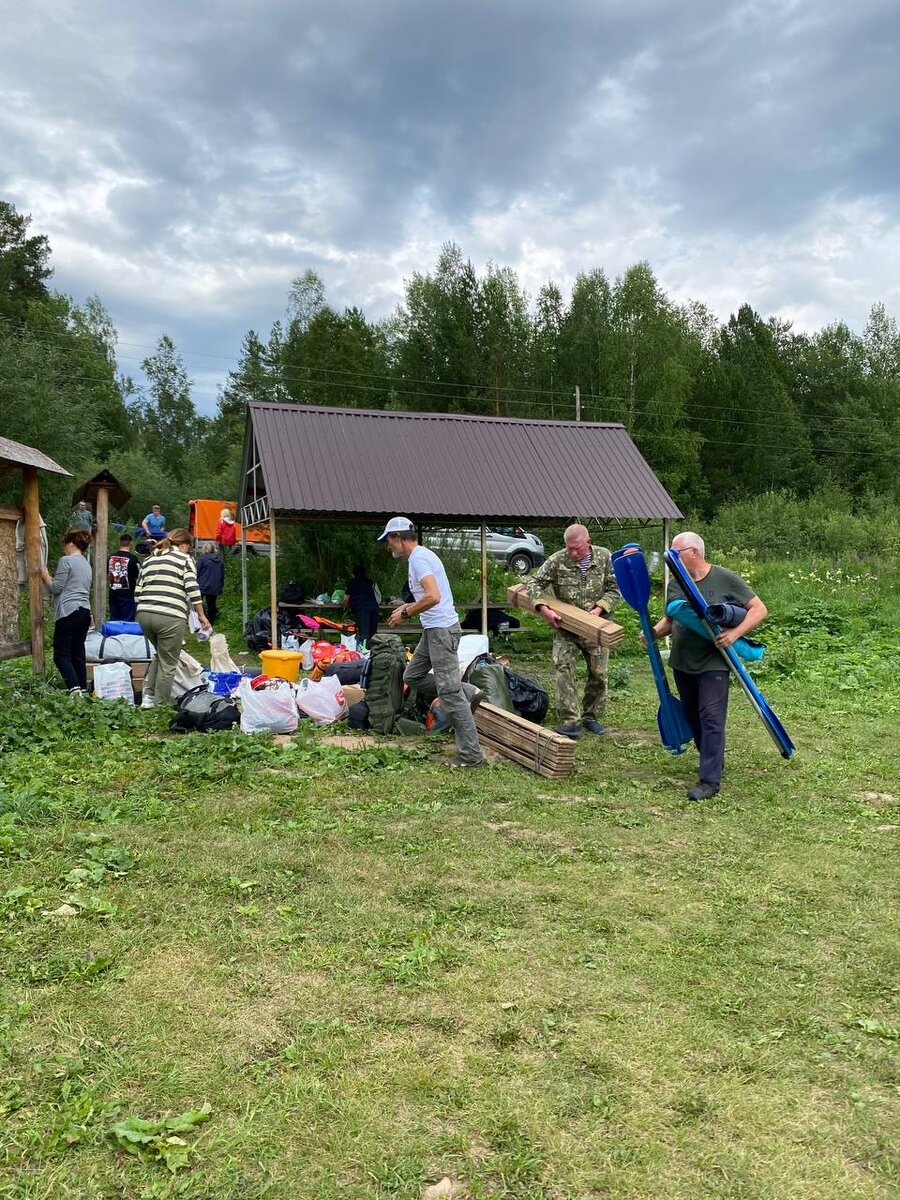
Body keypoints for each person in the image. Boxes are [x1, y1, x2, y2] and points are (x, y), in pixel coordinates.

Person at [646, 532, 767, 801]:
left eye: (677, 554)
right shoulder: (677, 582)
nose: (672, 560)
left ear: (694, 552)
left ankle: (709, 780)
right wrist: (652, 632)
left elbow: (759, 609)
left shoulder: (725, 578)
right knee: (693, 716)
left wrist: (735, 635)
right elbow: (669, 618)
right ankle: (712, 759)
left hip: (715, 662)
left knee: (711, 718)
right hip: (682, 661)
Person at [379, 516, 483, 769]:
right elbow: (431, 596)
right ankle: (467, 692)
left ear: (399, 538)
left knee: (449, 694)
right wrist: (407, 606)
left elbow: (433, 596)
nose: (388, 547)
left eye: (389, 541)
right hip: (432, 630)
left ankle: (471, 756)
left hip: (442, 631)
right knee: (412, 676)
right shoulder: (419, 557)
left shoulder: (419, 558)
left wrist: (406, 612)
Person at [525, 523, 621, 739]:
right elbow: (534, 583)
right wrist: (543, 608)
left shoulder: (605, 557)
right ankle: (570, 721)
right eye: (569, 548)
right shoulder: (558, 559)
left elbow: (616, 589)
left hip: (596, 627)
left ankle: (591, 717)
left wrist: (599, 609)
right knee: (563, 669)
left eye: (577, 548)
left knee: (599, 674)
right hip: (565, 627)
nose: (573, 553)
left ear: (589, 542)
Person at [135, 528, 210, 707]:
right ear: (184, 544)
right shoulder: (184, 559)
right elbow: (192, 588)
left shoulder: (149, 559)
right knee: (169, 664)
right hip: (170, 616)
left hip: (144, 614)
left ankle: (148, 698)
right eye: (189, 547)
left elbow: (137, 592)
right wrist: (201, 615)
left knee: (160, 656)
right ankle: (161, 706)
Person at [40, 528, 93, 697]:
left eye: (65, 545)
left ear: (71, 543)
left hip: (68, 610)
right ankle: (83, 689)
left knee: (61, 654)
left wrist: (45, 575)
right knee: (78, 652)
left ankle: (74, 689)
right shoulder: (86, 563)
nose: (64, 548)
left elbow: (56, 588)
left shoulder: (66, 560)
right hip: (84, 610)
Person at [343, 563, 380, 649]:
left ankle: (364, 651)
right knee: (373, 631)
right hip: (374, 606)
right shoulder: (369, 581)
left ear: (354, 573)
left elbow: (346, 599)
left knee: (364, 631)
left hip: (362, 608)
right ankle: (374, 650)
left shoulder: (352, 582)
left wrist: (346, 607)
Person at [107, 533, 142, 622]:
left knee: (114, 620)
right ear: (131, 543)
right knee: (127, 622)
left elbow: (107, 573)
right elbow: (139, 576)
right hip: (128, 595)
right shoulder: (133, 559)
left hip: (113, 593)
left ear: (120, 543)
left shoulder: (111, 557)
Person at [196, 541, 225, 624]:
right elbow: (222, 575)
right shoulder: (219, 560)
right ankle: (210, 623)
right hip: (214, 586)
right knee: (211, 605)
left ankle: (197, 622)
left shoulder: (202, 559)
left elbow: (196, 572)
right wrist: (220, 586)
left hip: (202, 585)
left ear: (204, 549)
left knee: (197, 603)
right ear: (214, 549)